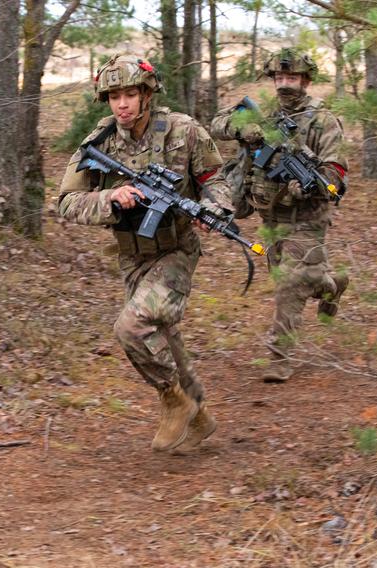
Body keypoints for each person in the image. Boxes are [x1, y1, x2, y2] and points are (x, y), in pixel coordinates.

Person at [58, 54, 236, 453]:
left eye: (131, 94)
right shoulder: (97, 143)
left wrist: (215, 209)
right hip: (132, 255)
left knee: (132, 328)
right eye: (114, 96)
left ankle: (172, 398)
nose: (122, 104)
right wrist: (111, 198)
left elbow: (216, 179)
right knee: (165, 336)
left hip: (176, 248)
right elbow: (66, 203)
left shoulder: (184, 131)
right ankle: (200, 417)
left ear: (147, 94)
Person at [210, 48, 349, 383]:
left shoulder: (323, 120)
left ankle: (280, 356)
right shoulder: (263, 112)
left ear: (306, 80)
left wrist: (308, 185)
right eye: (281, 78)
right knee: (299, 282)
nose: (286, 84)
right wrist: (245, 131)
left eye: (293, 78)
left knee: (290, 286)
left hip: (308, 217)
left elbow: (336, 175)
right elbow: (216, 125)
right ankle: (331, 285)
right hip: (270, 218)